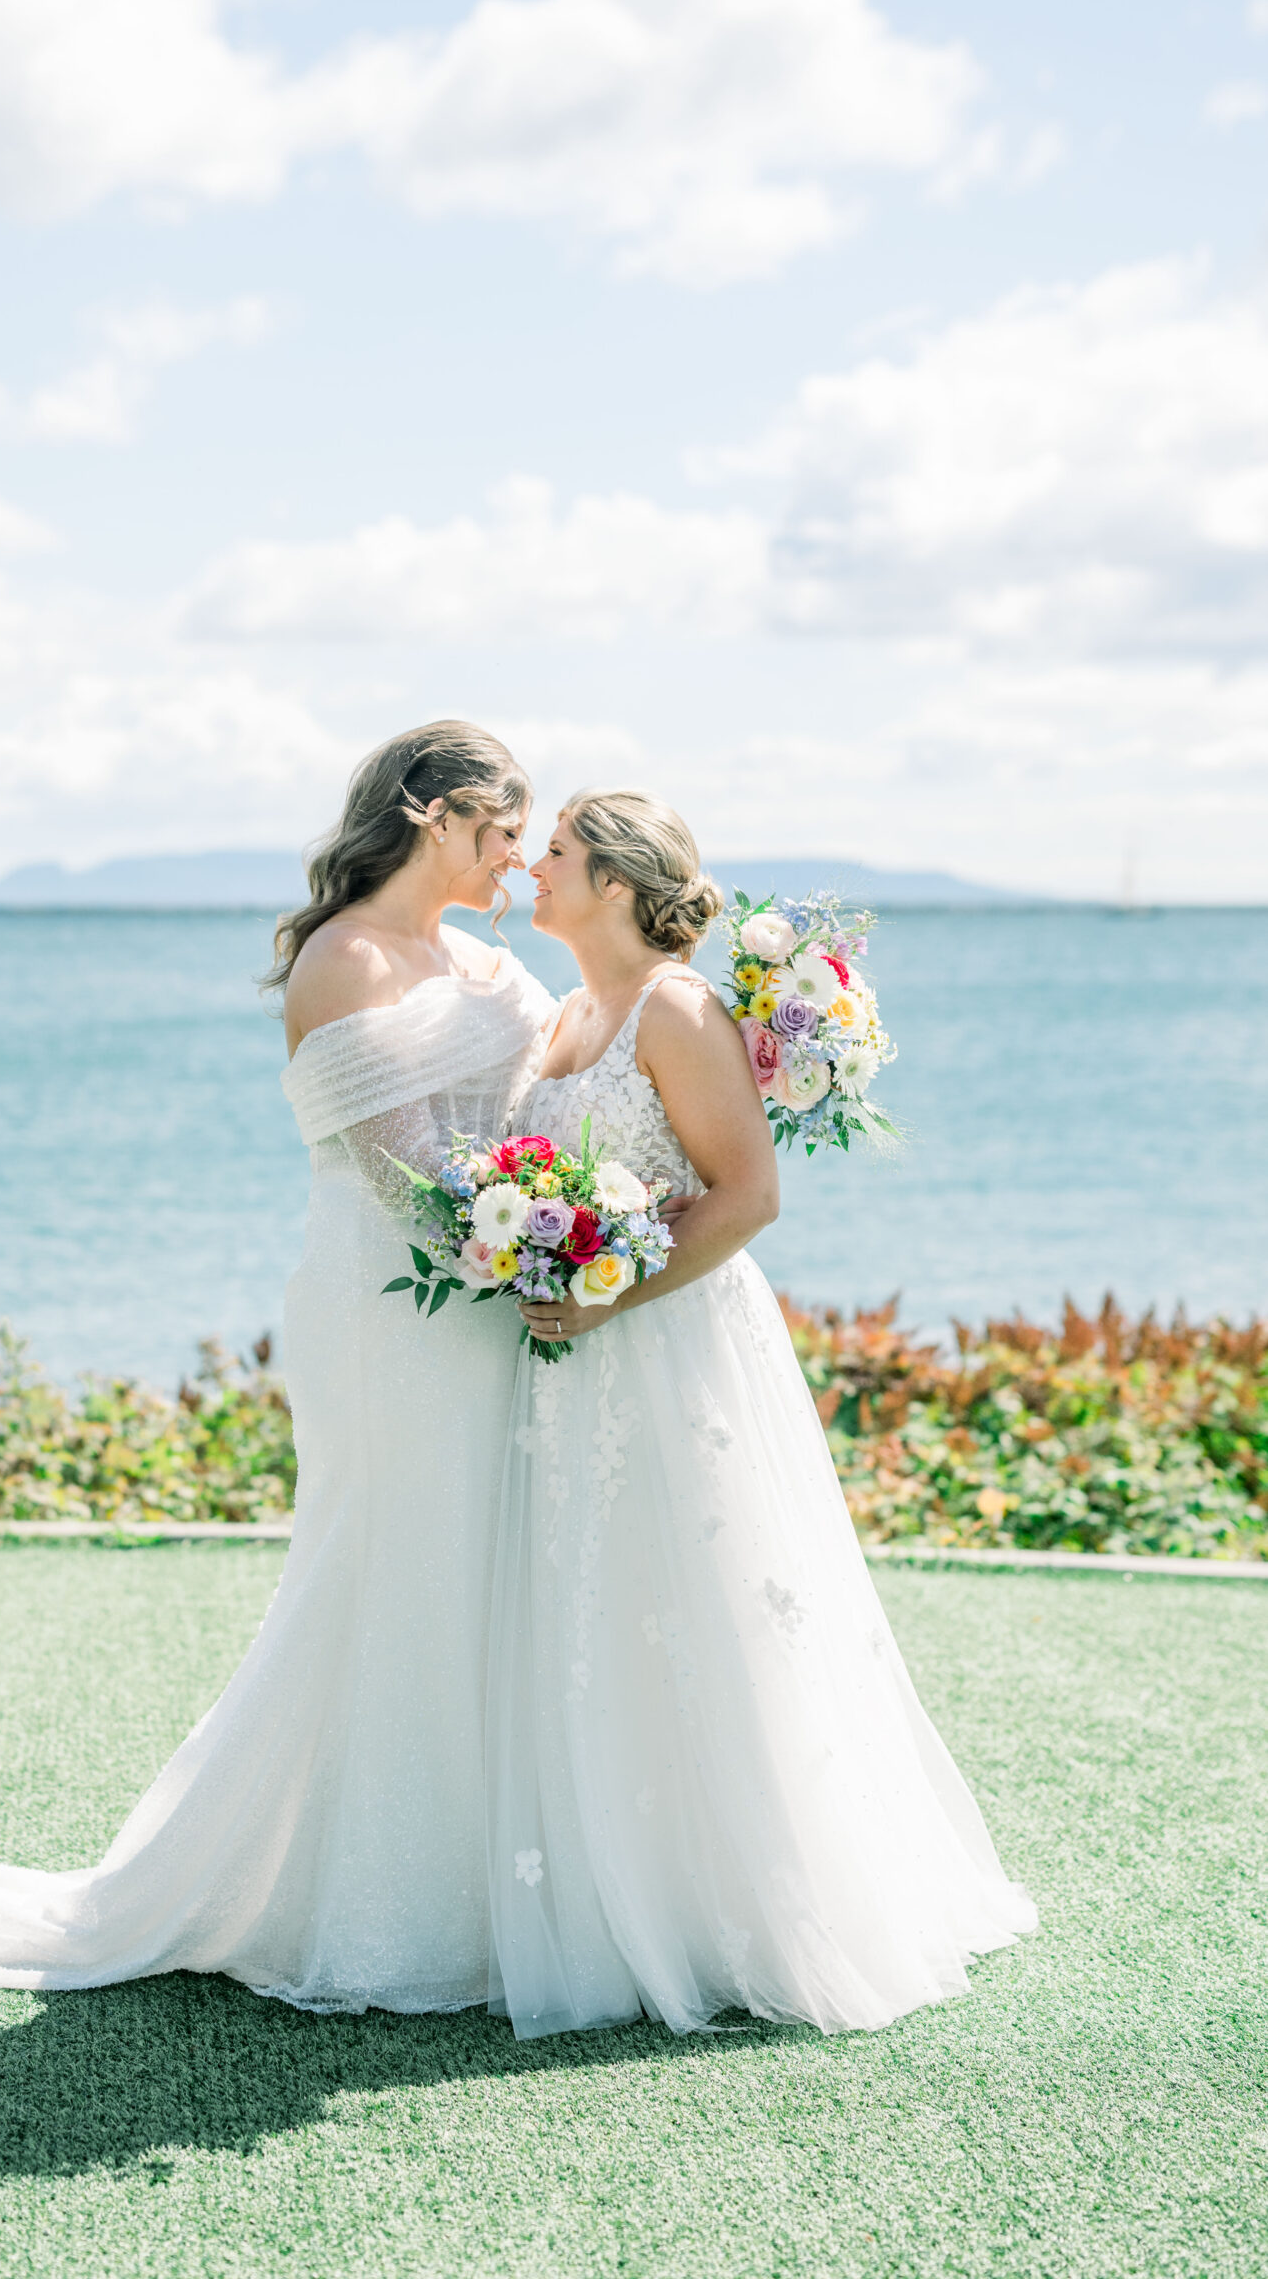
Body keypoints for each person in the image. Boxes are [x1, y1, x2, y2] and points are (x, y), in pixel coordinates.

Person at [0, 720, 557, 2010]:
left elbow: (551, 1102)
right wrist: (546, 1251)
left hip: (495, 1308)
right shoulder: (343, 958)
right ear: (434, 816)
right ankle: (363, 1892)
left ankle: (487, 1874)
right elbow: (415, 1182)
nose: (518, 858)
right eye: (501, 831)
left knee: (477, 1564)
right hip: (394, 1314)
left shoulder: (484, 959)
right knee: (388, 1564)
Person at [484, 789, 1036, 2039]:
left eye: (556, 852)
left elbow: (747, 1194)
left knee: (702, 1605)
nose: (534, 867)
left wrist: (610, 1297)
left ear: (615, 883)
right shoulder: (569, 1012)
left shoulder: (677, 1010)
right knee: (599, 1610)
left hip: (667, 1347)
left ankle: (735, 1907)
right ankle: (609, 1886)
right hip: (573, 1363)